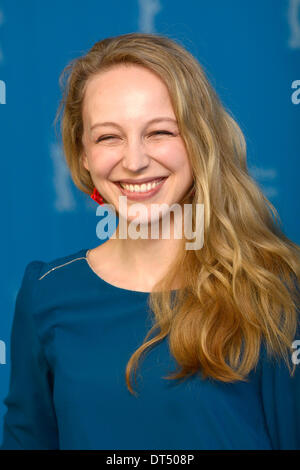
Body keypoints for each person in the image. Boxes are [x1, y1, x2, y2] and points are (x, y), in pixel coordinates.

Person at [1, 32, 299, 450]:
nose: (136, 161)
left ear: (200, 140)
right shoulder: (45, 293)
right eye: (109, 137)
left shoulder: (276, 287)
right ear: (83, 154)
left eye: (159, 132)